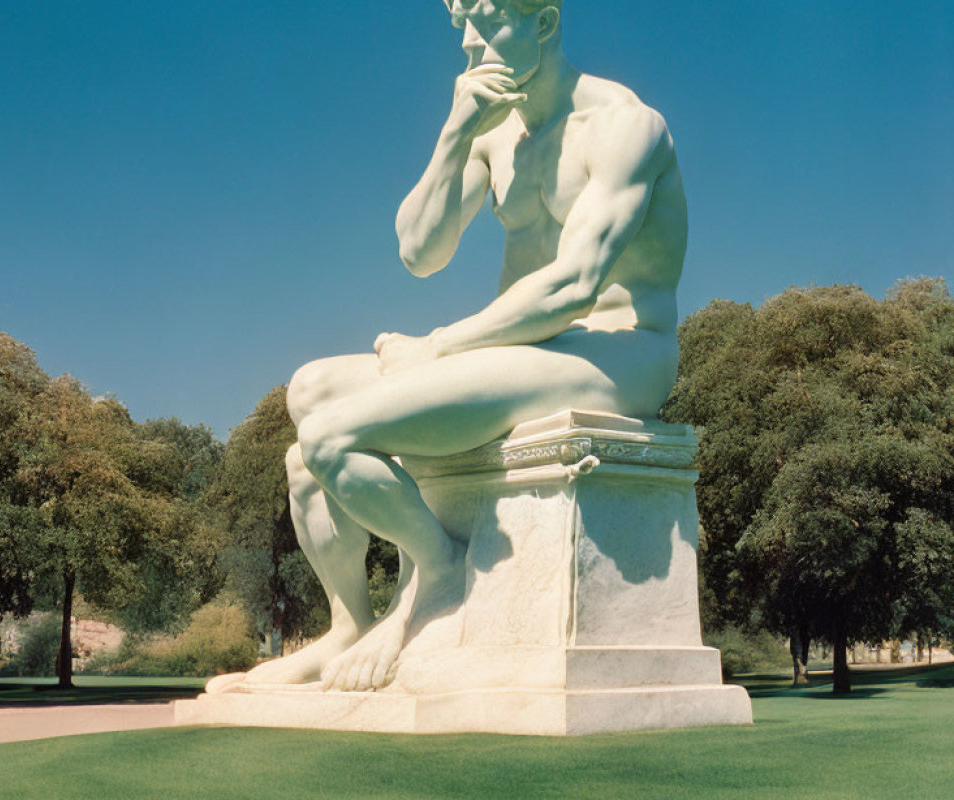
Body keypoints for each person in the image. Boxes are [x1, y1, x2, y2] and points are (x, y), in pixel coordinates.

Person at [207, 0, 687, 694]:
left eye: (488, 19)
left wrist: (438, 348)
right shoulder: (496, 135)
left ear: (544, 24)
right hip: (528, 349)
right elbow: (419, 252)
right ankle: (348, 624)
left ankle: (438, 568)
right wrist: (455, 135)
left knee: (333, 437)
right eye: (461, 22)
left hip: (620, 354)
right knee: (310, 395)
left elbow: (578, 285)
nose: (468, 40)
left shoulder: (624, 127)